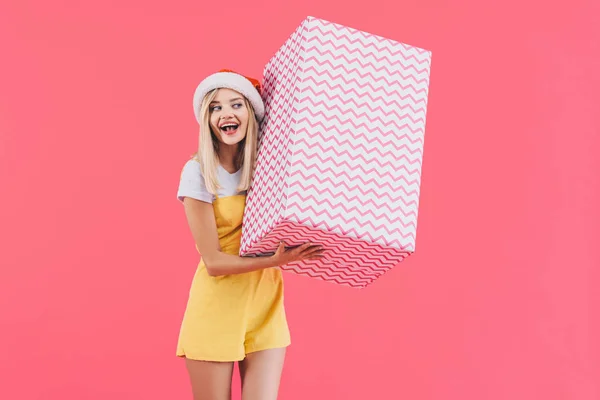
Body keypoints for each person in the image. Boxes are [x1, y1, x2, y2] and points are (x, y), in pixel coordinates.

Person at [176, 69, 324, 400]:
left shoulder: (268, 168)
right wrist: (276, 259)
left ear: (251, 113)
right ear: (207, 118)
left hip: (266, 302)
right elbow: (213, 262)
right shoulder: (198, 171)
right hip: (218, 305)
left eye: (236, 104)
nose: (226, 113)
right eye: (215, 107)